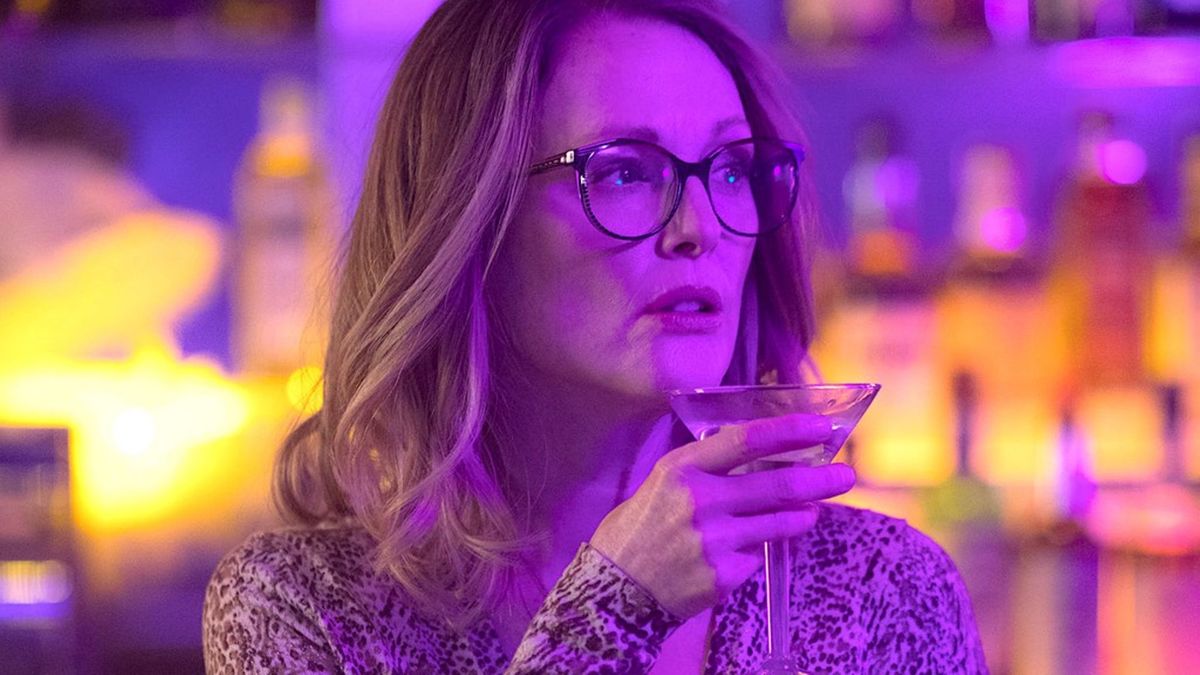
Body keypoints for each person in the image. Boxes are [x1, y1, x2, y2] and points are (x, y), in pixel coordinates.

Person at [203, 0, 988, 672]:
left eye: (730, 169)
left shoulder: (882, 588)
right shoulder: (305, 606)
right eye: (624, 171)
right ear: (469, 222)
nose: (698, 227)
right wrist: (615, 607)